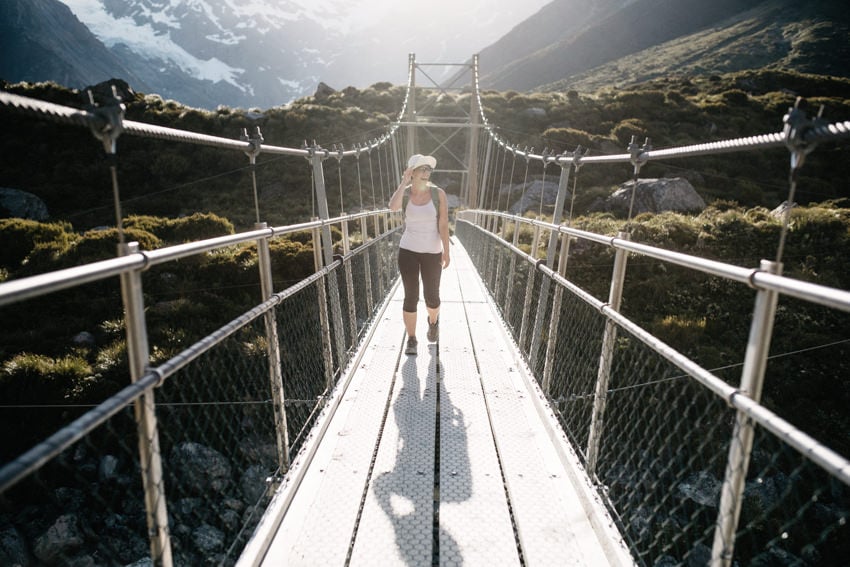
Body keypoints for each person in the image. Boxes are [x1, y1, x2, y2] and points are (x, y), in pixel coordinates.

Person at [388, 154, 450, 355]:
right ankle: (412, 339)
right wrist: (404, 182)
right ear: (412, 172)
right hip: (408, 251)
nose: (426, 173)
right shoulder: (405, 194)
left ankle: (433, 322)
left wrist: (446, 251)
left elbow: (443, 224)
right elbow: (393, 207)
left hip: (432, 252)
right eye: (422, 169)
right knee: (410, 296)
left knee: (432, 297)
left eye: (428, 170)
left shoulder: (438, 193)